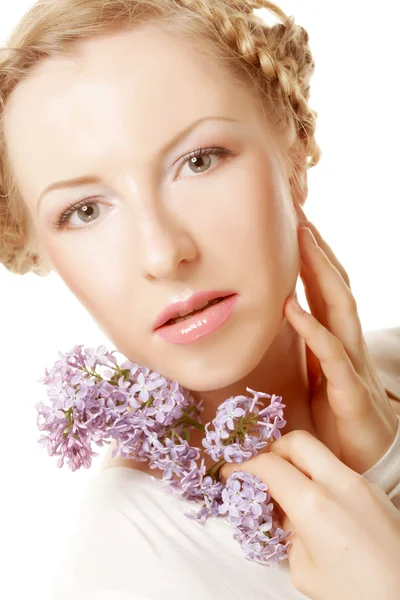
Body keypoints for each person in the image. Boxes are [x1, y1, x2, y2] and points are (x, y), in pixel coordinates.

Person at [0, 1, 399, 599]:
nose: (163, 254)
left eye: (199, 160)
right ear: (44, 249)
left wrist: (382, 470)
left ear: (293, 152)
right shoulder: (121, 563)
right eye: (84, 211)